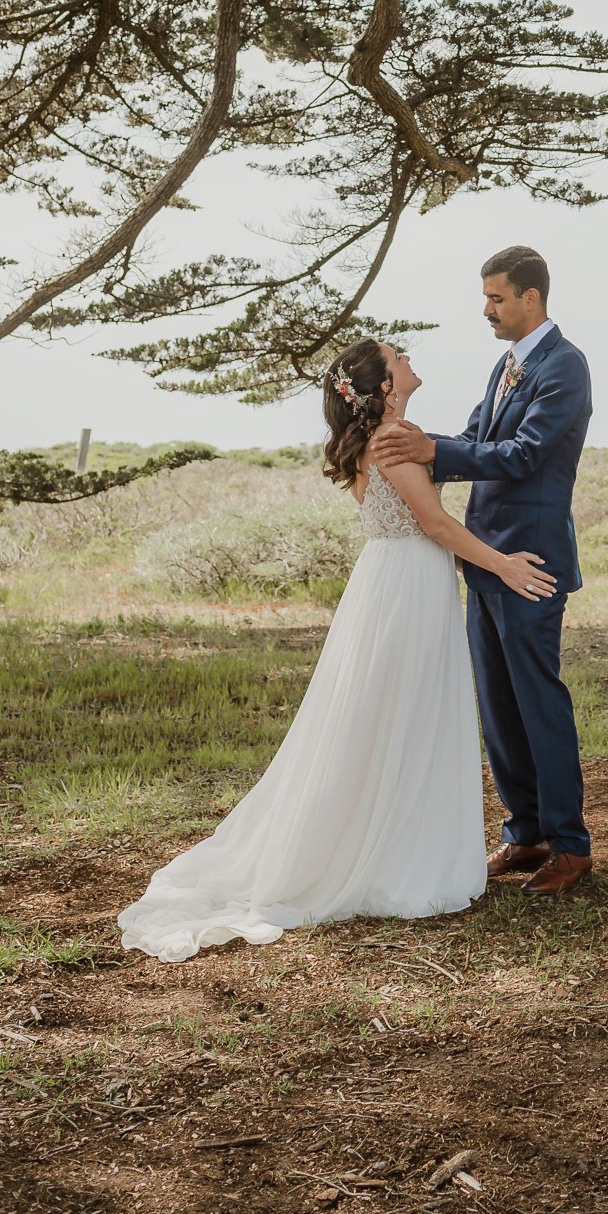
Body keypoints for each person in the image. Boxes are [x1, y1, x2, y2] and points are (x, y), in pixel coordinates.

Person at [117, 336, 555, 962]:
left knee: (384, 715)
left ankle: (391, 838)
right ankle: (395, 856)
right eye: (398, 355)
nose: (410, 358)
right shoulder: (391, 440)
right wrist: (504, 566)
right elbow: (435, 524)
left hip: (388, 580)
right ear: (382, 384)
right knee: (405, 713)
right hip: (406, 584)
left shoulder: (386, 435)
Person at [373, 244, 594, 895]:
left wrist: (430, 448)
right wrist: (415, 448)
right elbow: (473, 445)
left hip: (531, 563)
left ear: (531, 297)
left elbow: (523, 455)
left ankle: (570, 845)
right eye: (486, 297)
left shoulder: (565, 366)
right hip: (485, 558)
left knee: (537, 702)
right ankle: (523, 833)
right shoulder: (506, 366)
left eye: (496, 297)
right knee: (498, 707)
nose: (487, 309)